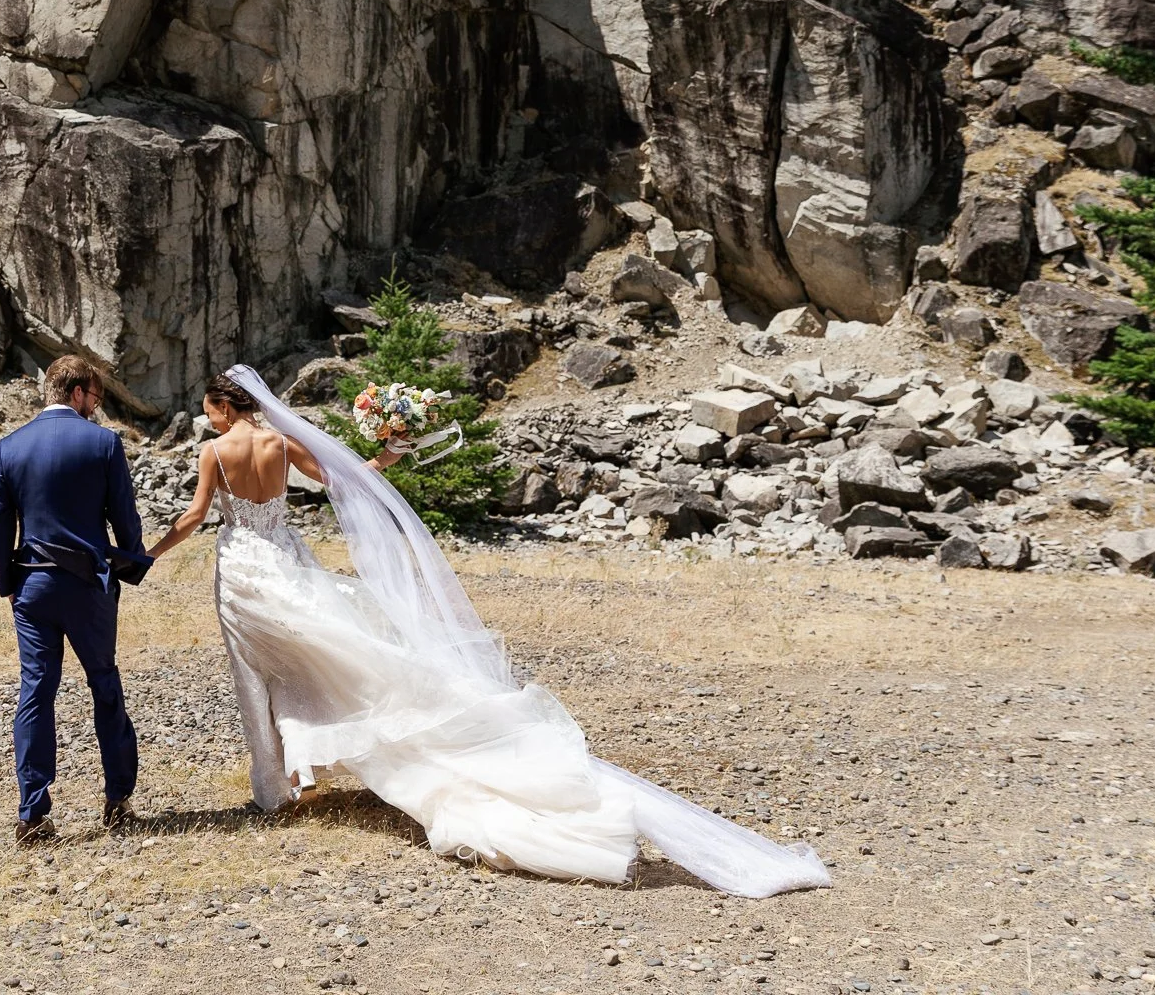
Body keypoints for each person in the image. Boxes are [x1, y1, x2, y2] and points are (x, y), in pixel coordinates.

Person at [151, 367, 831, 896]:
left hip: (245, 568)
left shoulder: (218, 450)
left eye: (208, 408)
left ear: (223, 407)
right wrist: (389, 454)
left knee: (257, 672)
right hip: (292, 561)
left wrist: (145, 555)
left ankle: (276, 788)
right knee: (334, 657)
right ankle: (301, 773)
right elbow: (347, 478)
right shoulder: (279, 441)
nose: (204, 419)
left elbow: (193, 518)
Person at [0, 355, 149, 844]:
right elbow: (125, 515)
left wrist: (5, 580)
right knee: (104, 683)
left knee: (35, 691)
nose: (96, 408)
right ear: (77, 393)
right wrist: (133, 561)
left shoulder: (10, 447)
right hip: (86, 588)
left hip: (32, 587)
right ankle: (118, 799)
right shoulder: (102, 443)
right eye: (96, 398)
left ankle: (32, 814)